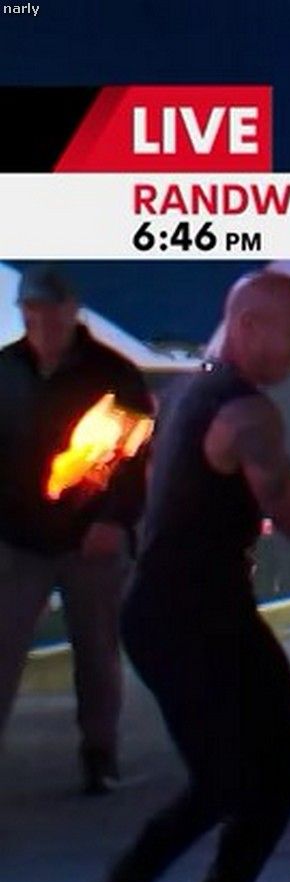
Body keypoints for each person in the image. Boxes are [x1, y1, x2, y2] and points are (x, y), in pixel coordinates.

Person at [70, 271, 290, 882]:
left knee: (282, 764)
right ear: (251, 326)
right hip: (186, 618)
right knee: (226, 778)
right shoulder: (249, 412)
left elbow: (228, 486)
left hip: (195, 611)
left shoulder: (190, 393)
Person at [0, 266, 153, 794]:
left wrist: (113, 521)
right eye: (32, 309)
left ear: (73, 311)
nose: (42, 320)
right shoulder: (4, 370)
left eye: (52, 309)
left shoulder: (115, 374)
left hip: (92, 543)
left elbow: (135, 460)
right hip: (18, 541)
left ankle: (99, 752)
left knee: (96, 651)